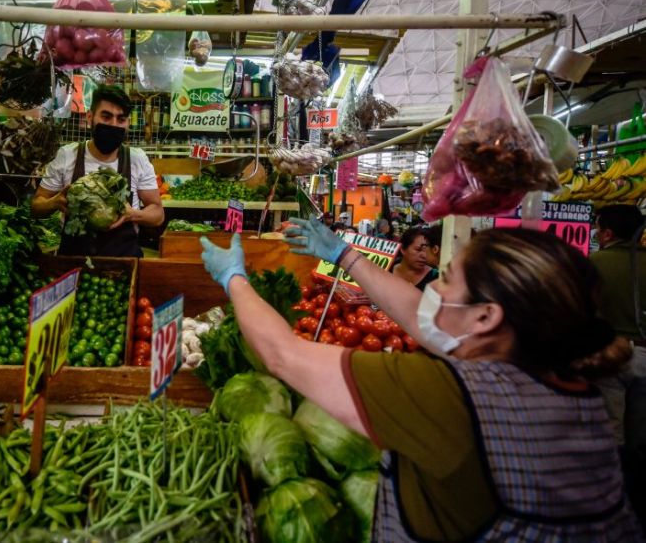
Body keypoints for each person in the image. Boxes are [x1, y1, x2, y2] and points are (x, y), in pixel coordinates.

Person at [199, 220, 642, 541]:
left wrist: (235, 279)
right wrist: (345, 255)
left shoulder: (453, 398)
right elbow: (421, 317)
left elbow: (283, 355)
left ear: (487, 317)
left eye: (447, 280)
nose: (435, 290)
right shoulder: (561, 380)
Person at [32, 85, 163, 256]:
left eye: (121, 119)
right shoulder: (67, 155)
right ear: (90, 117)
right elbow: (36, 207)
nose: (114, 125)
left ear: (127, 123)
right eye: (106, 116)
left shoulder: (137, 159)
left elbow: (158, 214)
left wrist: (132, 214)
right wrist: (54, 202)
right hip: (74, 262)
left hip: (124, 262)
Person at [591, 204, 646, 524]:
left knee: (611, 433)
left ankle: (611, 498)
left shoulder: (595, 263)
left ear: (607, 233)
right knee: (641, 434)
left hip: (608, 356)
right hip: (644, 354)